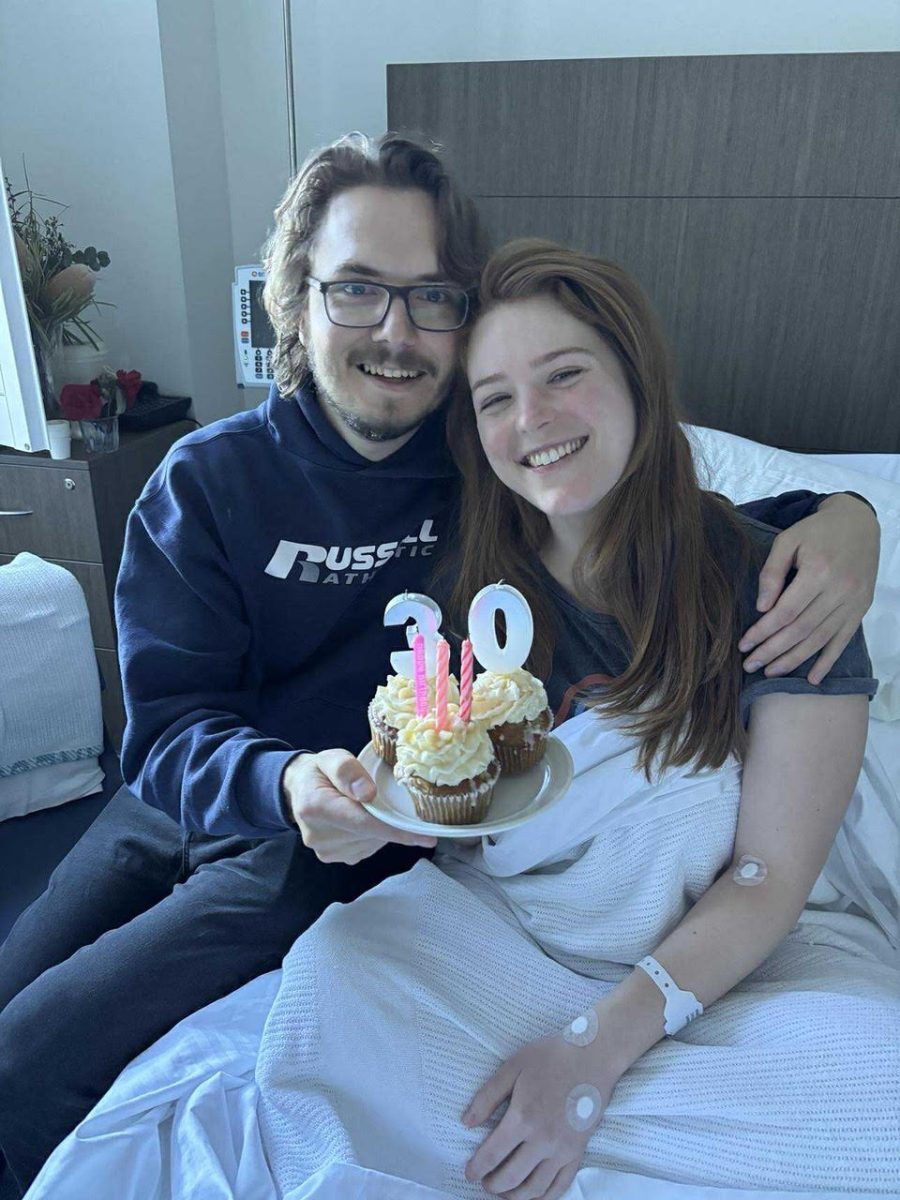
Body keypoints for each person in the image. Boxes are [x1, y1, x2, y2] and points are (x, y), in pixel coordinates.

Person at [0, 135, 882, 1198]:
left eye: (431, 299)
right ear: (296, 299)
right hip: (193, 797)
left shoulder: (483, 463)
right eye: (358, 290)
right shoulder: (207, 483)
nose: (395, 333)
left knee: (32, 1059)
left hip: (335, 836)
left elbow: (663, 516)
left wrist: (845, 515)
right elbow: (166, 731)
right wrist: (282, 781)